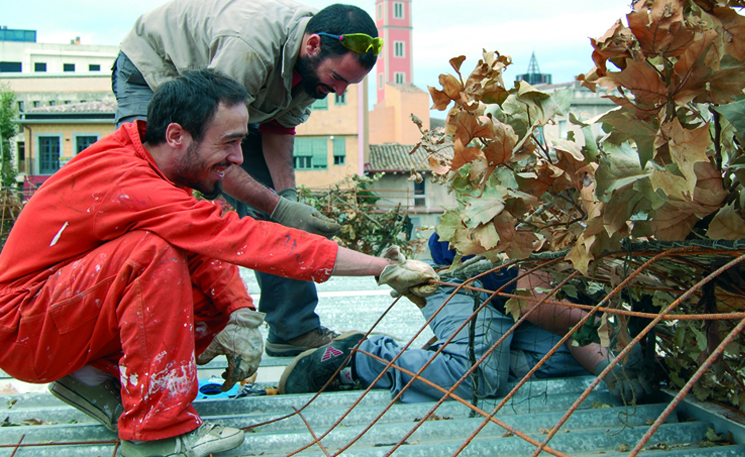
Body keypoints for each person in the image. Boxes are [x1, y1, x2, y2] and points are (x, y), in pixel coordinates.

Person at [0, 70, 437, 457]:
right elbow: (243, 237)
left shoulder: (153, 166)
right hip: (22, 329)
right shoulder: (129, 181)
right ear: (176, 135)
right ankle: (157, 434)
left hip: (57, 315)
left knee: (204, 283)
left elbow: (210, 240)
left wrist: (238, 315)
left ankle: (93, 379)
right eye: (228, 142)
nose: (238, 158)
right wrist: (381, 268)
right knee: (151, 254)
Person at [113, 0, 383, 357]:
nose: (338, 91)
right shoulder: (249, 48)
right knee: (156, 195)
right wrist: (275, 206)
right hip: (155, 72)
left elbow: (278, 129)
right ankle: (163, 336)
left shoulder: (315, 69)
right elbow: (211, 154)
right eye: (337, 78)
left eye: (348, 85)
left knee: (270, 202)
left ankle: (293, 329)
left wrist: (286, 200)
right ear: (313, 45)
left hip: (229, 100)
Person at [278, 234, 653, 405]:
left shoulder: (628, 260)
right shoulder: (555, 225)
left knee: (554, 361)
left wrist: (611, 361)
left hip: (512, 303)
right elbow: (546, 310)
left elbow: (574, 328)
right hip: (461, 282)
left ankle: (448, 356)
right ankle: (361, 357)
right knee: (480, 377)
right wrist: (609, 366)